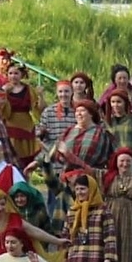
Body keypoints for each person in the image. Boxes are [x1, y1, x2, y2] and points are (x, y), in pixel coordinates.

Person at [36, 81, 78, 210]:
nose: (63, 94)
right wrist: (41, 133)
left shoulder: (78, 111)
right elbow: (39, 133)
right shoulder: (49, 112)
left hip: (72, 159)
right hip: (54, 160)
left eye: (66, 91)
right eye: (60, 91)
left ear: (72, 92)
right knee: (54, 197)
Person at [54, 99, 116, 180]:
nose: (79, 114)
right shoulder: (68, 131)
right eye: (77, 111)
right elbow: (57, 156)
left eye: (82, 111)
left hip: (90, 179)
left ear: (91, 114)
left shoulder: (100, 133)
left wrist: (68, 155)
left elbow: (101, 159)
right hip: (67, 179)